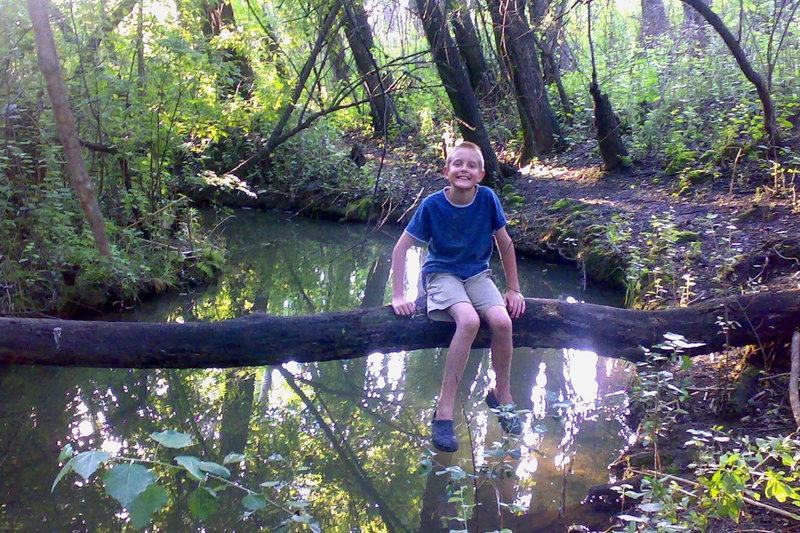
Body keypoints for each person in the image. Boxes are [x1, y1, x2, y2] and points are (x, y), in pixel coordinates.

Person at [390, 141, 527, 452]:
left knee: (502, 322)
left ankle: (502, 395)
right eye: (458, 164)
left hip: (477, 274)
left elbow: (505, 244)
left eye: (471, 165)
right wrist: (398, 295)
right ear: (446, 171)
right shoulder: (432, 205)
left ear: (481, 174)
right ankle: (444, 411)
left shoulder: (488, 199)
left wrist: (513, 288)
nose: (464, 169)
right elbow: (400, 248)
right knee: (468, 321)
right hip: (441, 274)